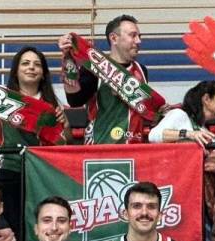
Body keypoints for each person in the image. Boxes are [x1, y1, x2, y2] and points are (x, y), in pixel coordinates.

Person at [0, 47, 69, 241]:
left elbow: (65, 142)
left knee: (41, 227)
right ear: (16, 71)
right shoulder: (1, 99)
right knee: (14, 232)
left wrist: (65, 125)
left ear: (43, 73)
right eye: (25, 63)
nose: (31, 68)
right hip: (9, 171)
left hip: (41, 174)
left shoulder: (53, 106)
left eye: (37, 64)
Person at [60, 15, 159, 144]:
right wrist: (67, 57)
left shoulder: (142, 70)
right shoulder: (95, 68)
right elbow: (75, 100)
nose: (139, 41)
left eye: (139, 36)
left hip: (133, 146)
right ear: (114, 38)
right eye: (133, 35)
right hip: (102, 146)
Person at [148, 80, 215, 145]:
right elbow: (153, 135)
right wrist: (189, 134)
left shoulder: (203, 129)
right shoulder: (180, 114)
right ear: (206, 99)